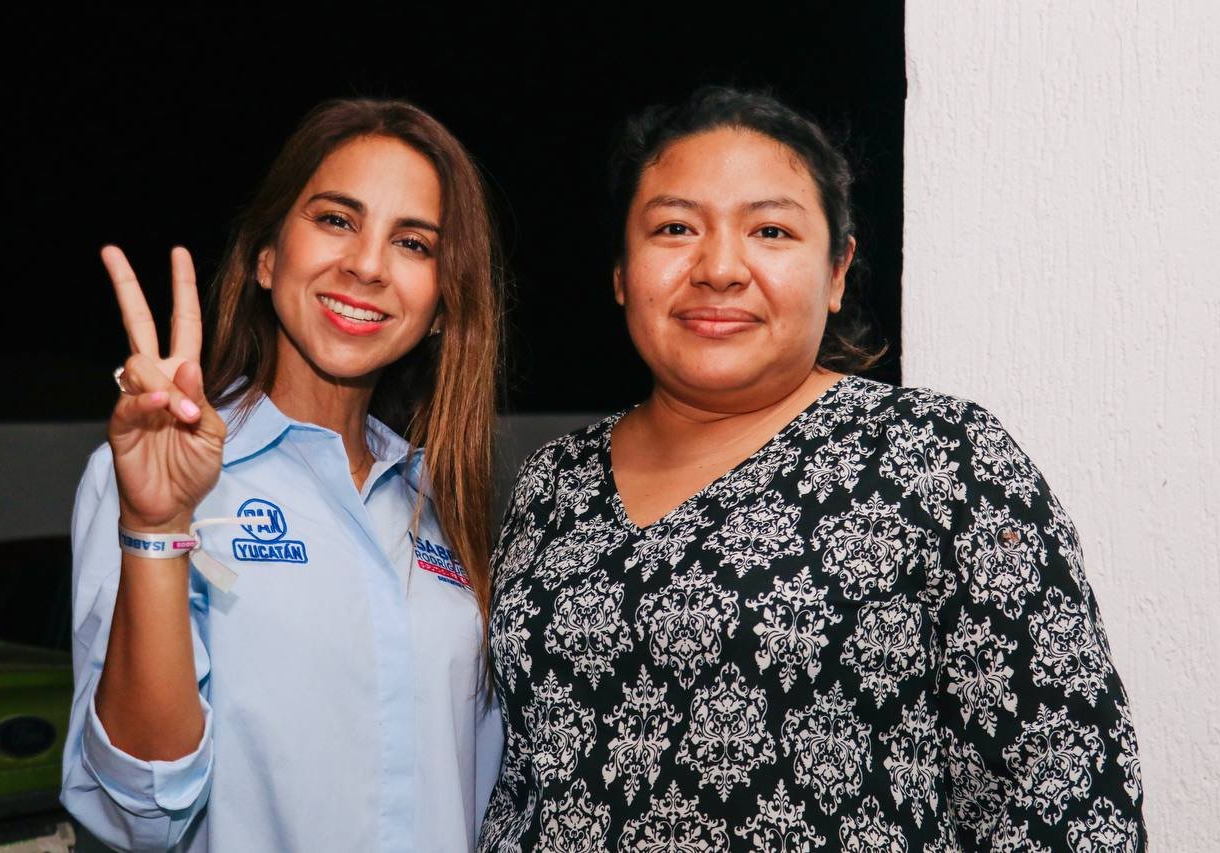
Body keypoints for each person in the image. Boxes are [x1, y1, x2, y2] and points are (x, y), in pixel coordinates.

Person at [480, 87, 1146, 851]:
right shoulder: (553, 481)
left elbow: (1065, 782)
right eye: (674, 228)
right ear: (622, 271)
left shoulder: (939, 456)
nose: (719, 268)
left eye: (770, 230)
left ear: (836, 271)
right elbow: (519, 777)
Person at [62, 98, 503, 852]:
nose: (367, 264)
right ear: (267, 257)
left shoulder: (437, 501)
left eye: (412, 243)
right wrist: (157, 528)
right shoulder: (154, 476)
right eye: (336, 219)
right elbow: (142, 810)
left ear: (440, 306)